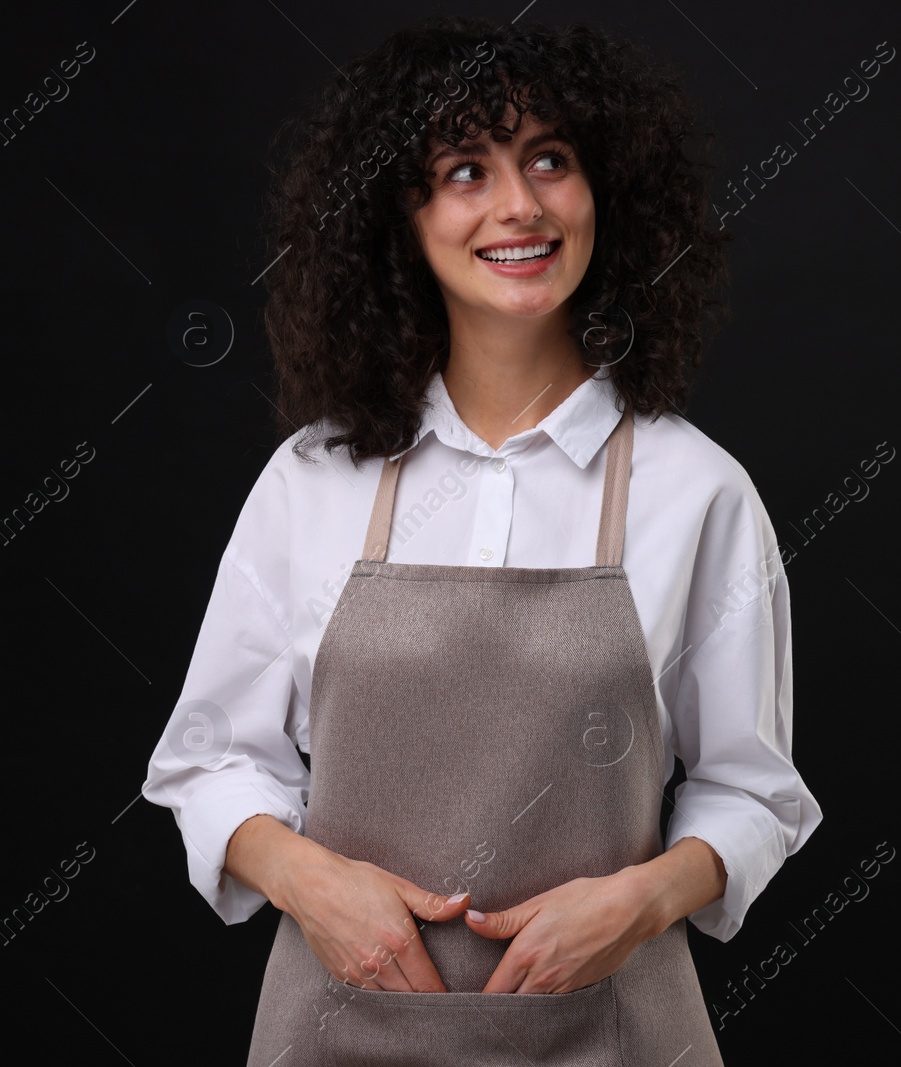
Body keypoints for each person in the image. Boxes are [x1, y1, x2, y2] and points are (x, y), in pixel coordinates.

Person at [141, 15, 820, 1065]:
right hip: (333, 1026)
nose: (519, 205)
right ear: (396, 220)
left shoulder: (697, 490)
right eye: (465, 170)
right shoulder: (313, 481)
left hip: (614, 1026)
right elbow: (211, 760)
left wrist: (637, 901)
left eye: (551, 159)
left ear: (609, 194)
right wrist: (306, 878)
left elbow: (753, 791)